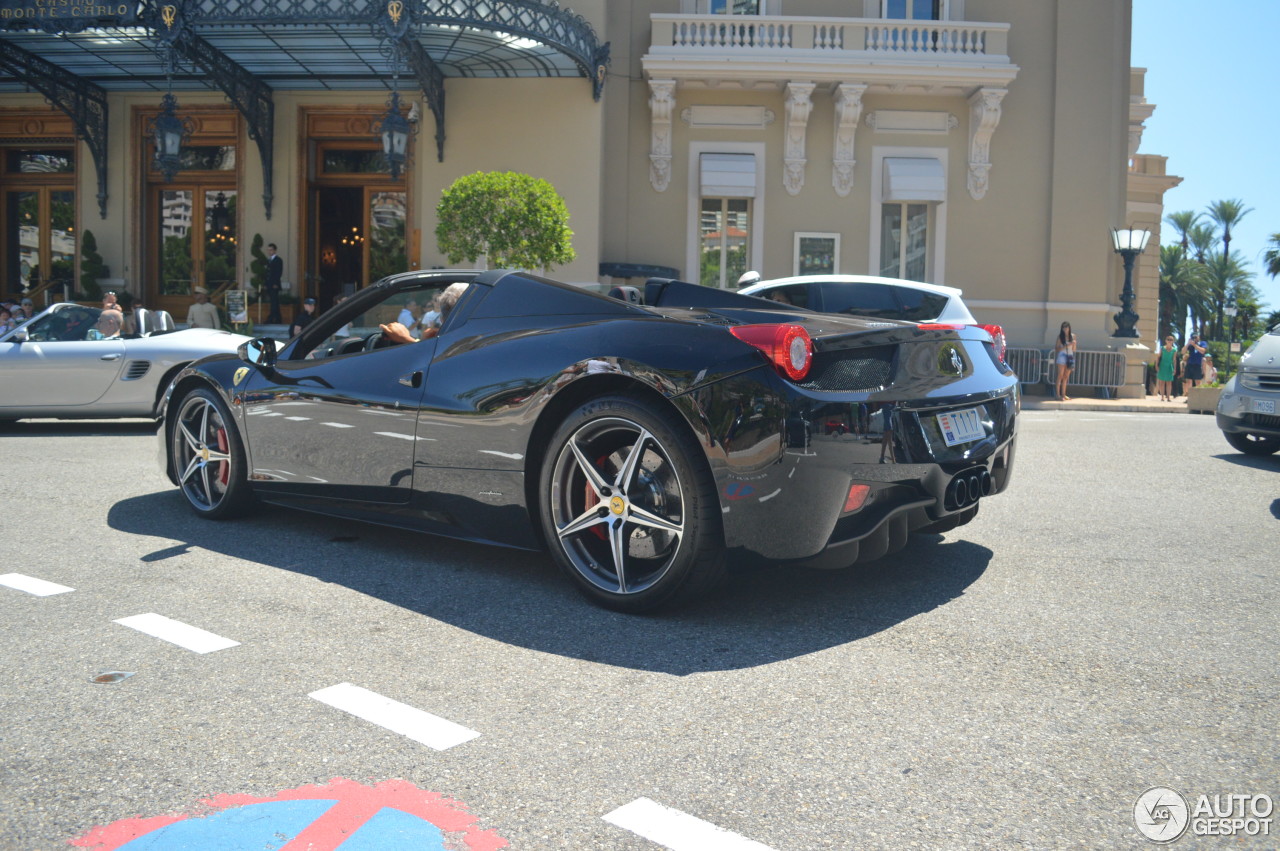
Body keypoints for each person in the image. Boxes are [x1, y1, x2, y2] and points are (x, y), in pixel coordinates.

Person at [380, 283, 468, 345]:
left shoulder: (450, 345)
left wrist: (406, 339)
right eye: (434, 300)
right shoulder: (476, 337)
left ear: (442, 319)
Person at [1052, 321, 1077, 401]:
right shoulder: (1060, 337)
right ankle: (1058, 394)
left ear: (1069, 328)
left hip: (1069, 356)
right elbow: (1056, 349)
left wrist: (1074, 344)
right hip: (1062, 356)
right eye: (1063, 327)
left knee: (1066, 376)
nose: (1065, 329)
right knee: (1060, 375)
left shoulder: (1072, 336)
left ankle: (1063, 394)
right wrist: (1066, 346)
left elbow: (1074, 350)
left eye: (1066, 327)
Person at [1152, 335, 1178, 402]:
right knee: (1162, 382)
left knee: (1169, 382)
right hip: (1162, 366)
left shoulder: (1174, 350)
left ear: (1173, 341)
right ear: (1166, 341)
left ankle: (1168, 397)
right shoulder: (1162, 348)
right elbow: (1158, 357)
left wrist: (1175, 368)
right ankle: (1162, 397)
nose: (1169, 341)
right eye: (1168, 339)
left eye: (1171, 340)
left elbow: (1174, 360)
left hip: (1169, 366)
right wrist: (1156, 365)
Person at [264, 242, 284, 324]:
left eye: (271, 250)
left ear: (275, 251)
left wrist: (276, 283)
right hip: (269, 284)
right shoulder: (268, 260)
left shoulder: (278, 260)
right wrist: (265, 284)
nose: (269, 252)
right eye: (268, 250)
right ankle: (277, 318)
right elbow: (266, 273)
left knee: (274, 302)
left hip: (274, 284)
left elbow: (278, 273)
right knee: (273, 302)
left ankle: (272, 318)